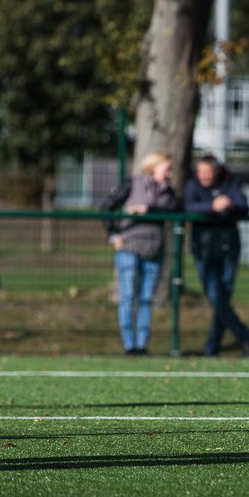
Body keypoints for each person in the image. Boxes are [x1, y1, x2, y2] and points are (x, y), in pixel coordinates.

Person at [185, 155, 249, 357]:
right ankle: (244, 334)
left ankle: (211, 348)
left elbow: (244, 206)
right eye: (201, 172)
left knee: (222, 298)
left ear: (216, 171)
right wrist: (212, 207)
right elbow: (187, 206)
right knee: (216, 297)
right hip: (203, 249)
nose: (204, 176)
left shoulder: (231, 183)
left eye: (208, 172)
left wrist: (230, 204)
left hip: (228, 248)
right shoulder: (192, 184)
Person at [109, 151, 180, 355]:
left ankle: (142, 344)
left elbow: (174, 209)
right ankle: (129, 344)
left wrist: (147, 208)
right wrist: (114, 235)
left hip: (154, 249)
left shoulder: (168, 192)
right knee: (129, 296)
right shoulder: (132, 184)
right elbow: (107, 206)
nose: (169, 173)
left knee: (147, 298)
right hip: (129, 247)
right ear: (153, 167)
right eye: (167, 168)